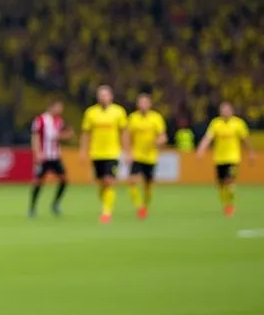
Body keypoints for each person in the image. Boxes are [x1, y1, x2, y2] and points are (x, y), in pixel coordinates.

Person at [79, 85, 128, 223]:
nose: (103, 97)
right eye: (101, 95)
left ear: (111, 96)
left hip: (112, 153)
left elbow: (124, 132)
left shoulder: (118, 112)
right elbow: (86, 134)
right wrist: (83, 150)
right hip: (96, 153)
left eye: (106, 95)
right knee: (101, 183)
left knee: (109, 180)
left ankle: (107, 212)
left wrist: (127, 151)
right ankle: (105, 205)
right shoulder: (91, 113)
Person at [196, 101, 254, 216]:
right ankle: (226, 204)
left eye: (227, 110)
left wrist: (251, 152)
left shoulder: (238, 123)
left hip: (233, 158)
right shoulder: (216, 123)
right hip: (219, 158)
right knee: (220, 184)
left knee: (230, 181)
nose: (225, 112)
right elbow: (208, 137)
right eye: (223, 110)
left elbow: (245, 139)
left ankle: (230, 204)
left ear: (232, 111)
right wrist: (201, 149)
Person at [125, 93, 168, 219]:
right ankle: (139, 207)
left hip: (150, 156)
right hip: (137, 155)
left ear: (150, 104)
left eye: (145, 102)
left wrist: (159, 141)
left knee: (148, 185)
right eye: (141, 103)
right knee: (132, 181)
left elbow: (163, 136)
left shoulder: (156, 118)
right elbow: (127, 136)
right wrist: (128, 152)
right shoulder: (133, 118)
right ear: (137, 105)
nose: (143, 105)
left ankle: (145, 206)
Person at [29, 99, 71, 217]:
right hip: (44, 156)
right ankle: (32, 208)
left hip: (55, 156)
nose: (60, 110)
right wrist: (37, 153)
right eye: (58, 107)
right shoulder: (41, 120)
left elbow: (62, 136)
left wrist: (65, 136)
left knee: (64, 180)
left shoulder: (59, 121)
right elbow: (35, 136)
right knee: (38, 182)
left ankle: (55, 204)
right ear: (51, 107)